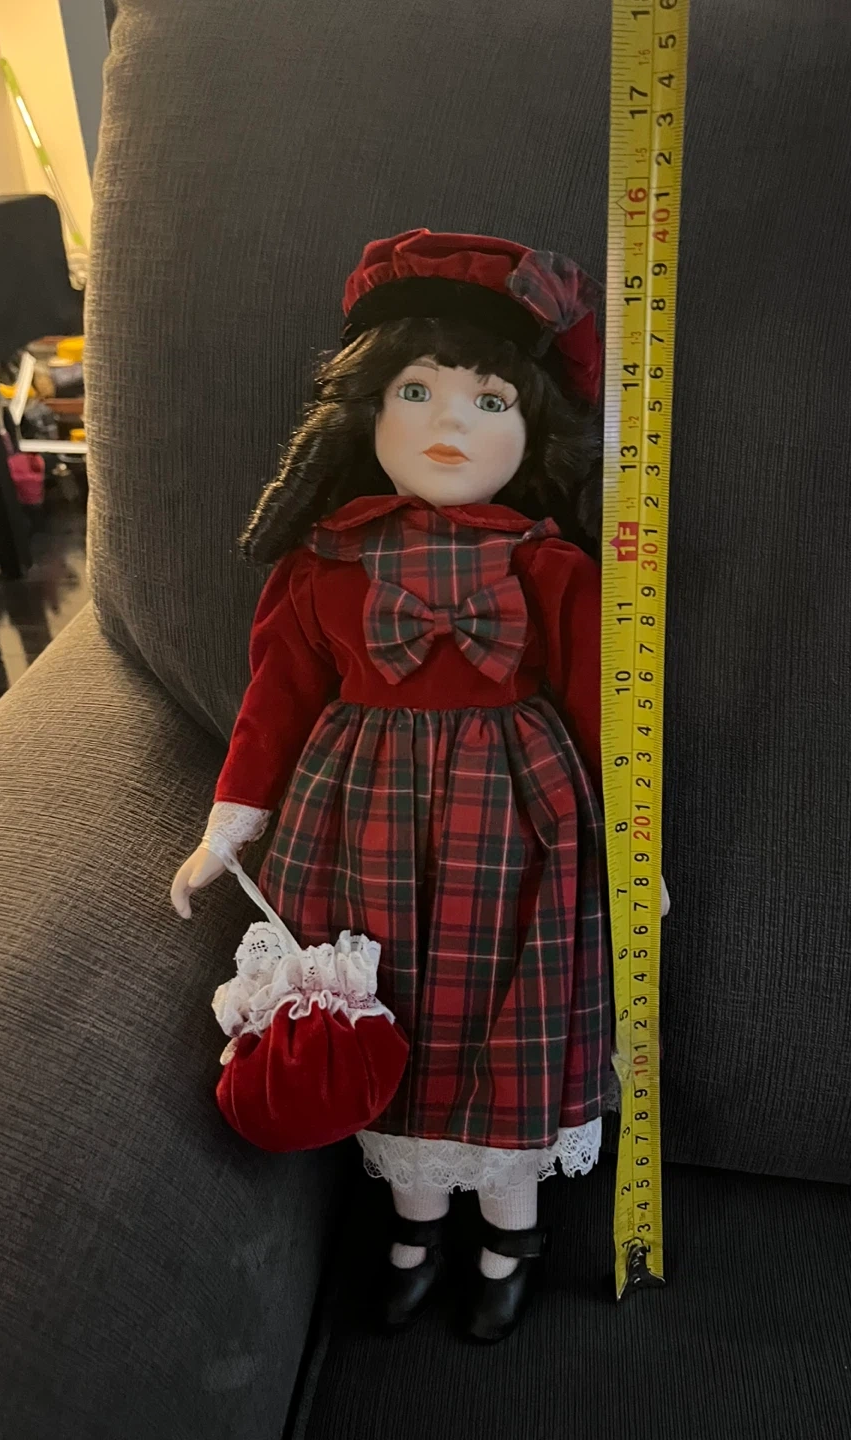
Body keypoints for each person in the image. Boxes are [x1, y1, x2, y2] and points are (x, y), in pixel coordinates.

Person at [171, 228, 626, 1342]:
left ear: (534, 427)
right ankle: (413, 1232)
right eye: (415, 391)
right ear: (366, 412)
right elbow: (276, 697)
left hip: (518, 822)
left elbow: (606, 715)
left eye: (488, 400)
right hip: (358, 822)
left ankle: (508, 1239)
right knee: (399, 1008)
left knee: (505, 1014)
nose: (445, 424)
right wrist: (228, 826)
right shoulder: (323, 564)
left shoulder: (552, 567)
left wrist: (638, 852)